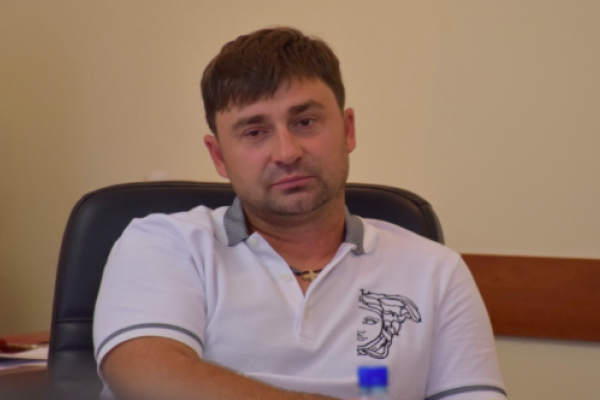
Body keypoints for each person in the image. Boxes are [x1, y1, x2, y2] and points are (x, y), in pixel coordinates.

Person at [93, 27, 507, 400]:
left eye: (305, 122)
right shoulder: (166, 244)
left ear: (347, 130)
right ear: (219, 156)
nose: (287, 152)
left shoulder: (436, 271)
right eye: (255, 132)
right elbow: (144, 375)